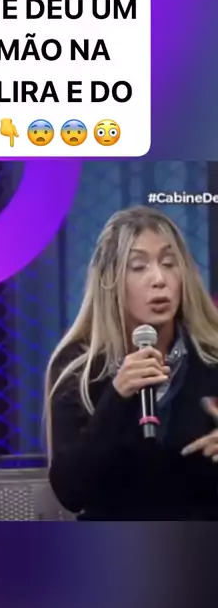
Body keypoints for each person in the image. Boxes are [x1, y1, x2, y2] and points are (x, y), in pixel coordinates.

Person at [45, 205, 218, 520]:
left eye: (169, 263)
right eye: (138, 267)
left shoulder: (211, 359)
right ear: (110, 281)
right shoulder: (79, 369)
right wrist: (117, 396)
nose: (159, 279)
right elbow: (70, 492)